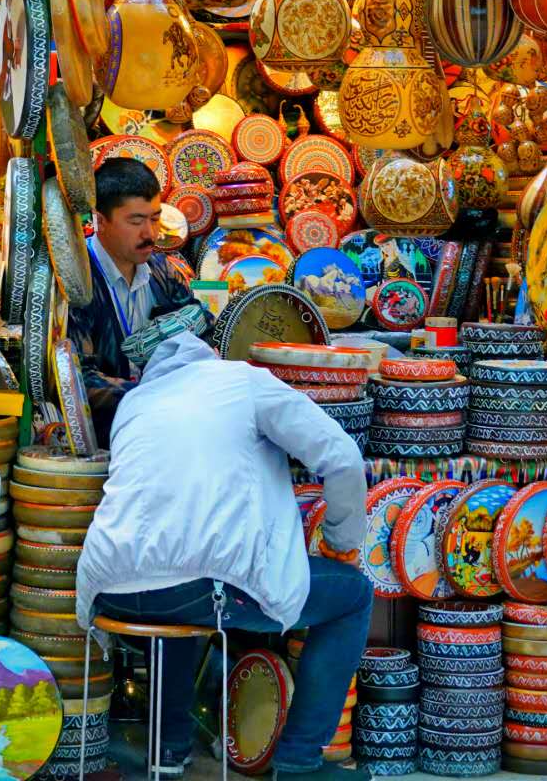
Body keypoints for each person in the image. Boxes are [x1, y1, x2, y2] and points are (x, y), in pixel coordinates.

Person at [75, 331, 371, 781]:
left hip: (108, 589)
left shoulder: (136, 402)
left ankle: (167, 751)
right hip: (201, 588)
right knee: (353, 596)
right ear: (212, 353)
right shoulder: (244, 381)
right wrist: (342, 541)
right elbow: (344, 459)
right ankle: (300, 762)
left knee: (176, 581)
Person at [67, 157, 210, 447]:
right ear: (100, 220)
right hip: (108, 440)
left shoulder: (162, 270)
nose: (150, 234)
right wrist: (154, 394)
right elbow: (77, 378)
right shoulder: (77, 282)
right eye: (136, 221)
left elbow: (200, 330)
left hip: (170, 433)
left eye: (155, 218)